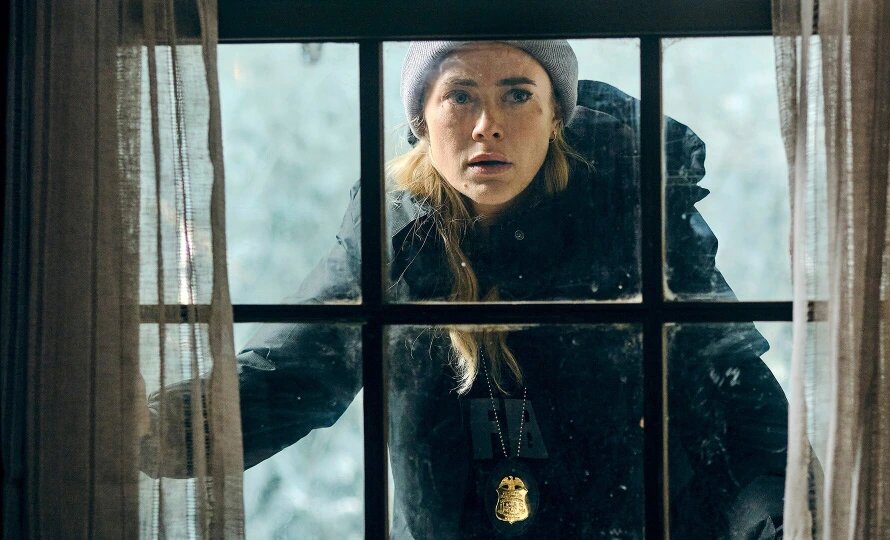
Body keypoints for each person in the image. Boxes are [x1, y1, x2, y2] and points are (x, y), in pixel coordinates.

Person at [144, 40, 788, 539]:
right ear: (422, 121)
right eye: (459, 96)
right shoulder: (395, 233)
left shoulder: (631, 215)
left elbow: (733, 397)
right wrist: (146, 431)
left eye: (517, 95)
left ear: (555, 116)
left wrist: (791, 522)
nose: (487, 125)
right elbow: (296, 373)